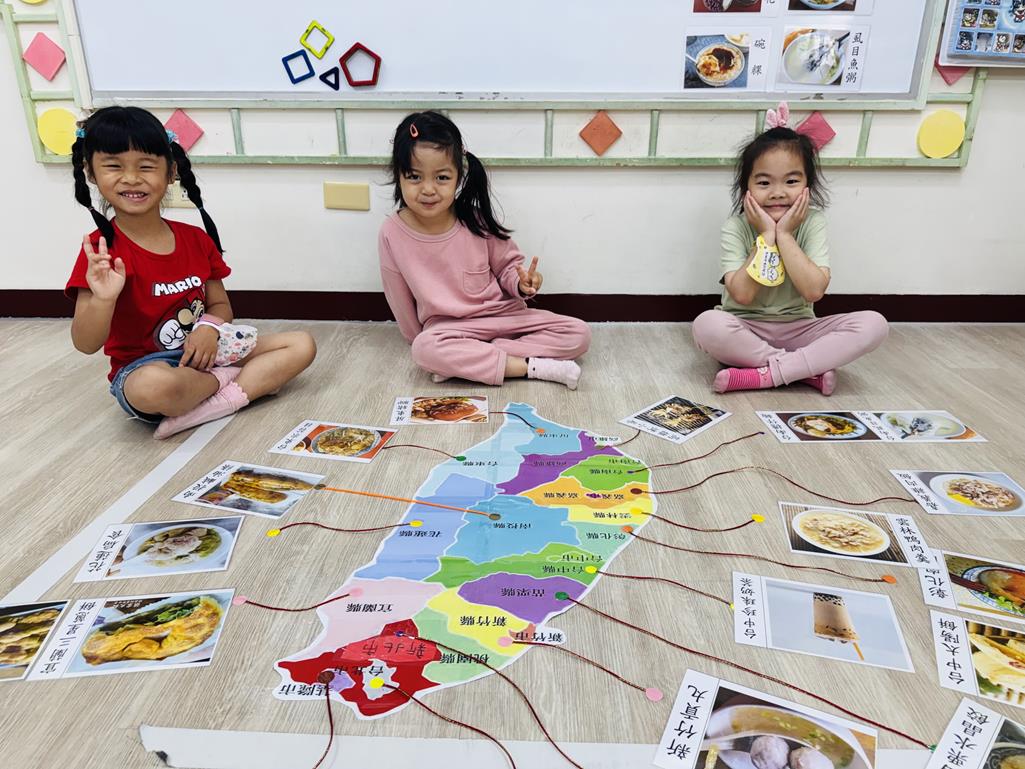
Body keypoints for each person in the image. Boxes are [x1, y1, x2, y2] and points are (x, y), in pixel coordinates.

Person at [66, 106, 315, 438]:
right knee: (152, 387)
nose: (131, 178)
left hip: (212, 351)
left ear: (171, 171)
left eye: (146, 166)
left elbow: (220, 306)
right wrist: (103, 300)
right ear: (91, 173)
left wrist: (208, 329)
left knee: (301, 344)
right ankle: (230, 383)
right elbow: (85, 344)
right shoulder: (100, 251)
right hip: (146, 369)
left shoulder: (195, 239)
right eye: (114, 166)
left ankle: (217, 400)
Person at [379, 111, 590, 389]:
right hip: (449, 329)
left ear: (458, 177)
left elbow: (508, 267)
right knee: (423, 349)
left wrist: (522, 284)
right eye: (414, 177)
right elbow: (398, 297)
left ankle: (470, 362)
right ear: (399, 176)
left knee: (579, 333)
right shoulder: (392, 233)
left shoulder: (475, 220)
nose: (428, 189)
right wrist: (417, 339)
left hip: (506, 318)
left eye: (442, 177)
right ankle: (531, 367)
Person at [692, 109, 887, 395]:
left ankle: (767, 374)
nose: (778, 192)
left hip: (801, 329)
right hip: (746, 328)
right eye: (763, 183)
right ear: (746, 189)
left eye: (791, 182)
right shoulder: (736, 226)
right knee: (707, 325)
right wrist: (766, 237)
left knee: (874, 324)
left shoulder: (812, 222)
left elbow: (813, 291)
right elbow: (743, 295)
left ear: (808, 185)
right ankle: (804, 371)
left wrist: (784, 235)